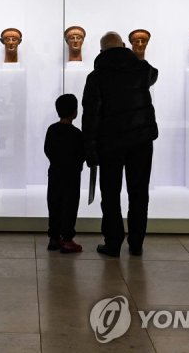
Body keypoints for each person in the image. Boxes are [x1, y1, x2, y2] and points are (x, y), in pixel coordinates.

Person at [82, 31, 158, 257]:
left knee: (110, 195)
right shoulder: (141, 70)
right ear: (124, 46)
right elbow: (153, 75)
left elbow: (90, 116)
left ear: (101, 51)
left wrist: (89, 148)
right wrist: (135, 57)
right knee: (139, 193)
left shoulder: (96, 77)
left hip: (110, 143)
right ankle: (136, 243)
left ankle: (113, 242)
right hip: (141, 140)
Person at [44, 93, 85, 253]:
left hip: (55, 173)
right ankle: (67, 239)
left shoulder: (52, 130)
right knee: (70, 206)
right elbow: (82, 154)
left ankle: (54, 238)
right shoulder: (77, 134)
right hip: (72, 176)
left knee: (54, 204)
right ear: (75, 112)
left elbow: (48, 150)